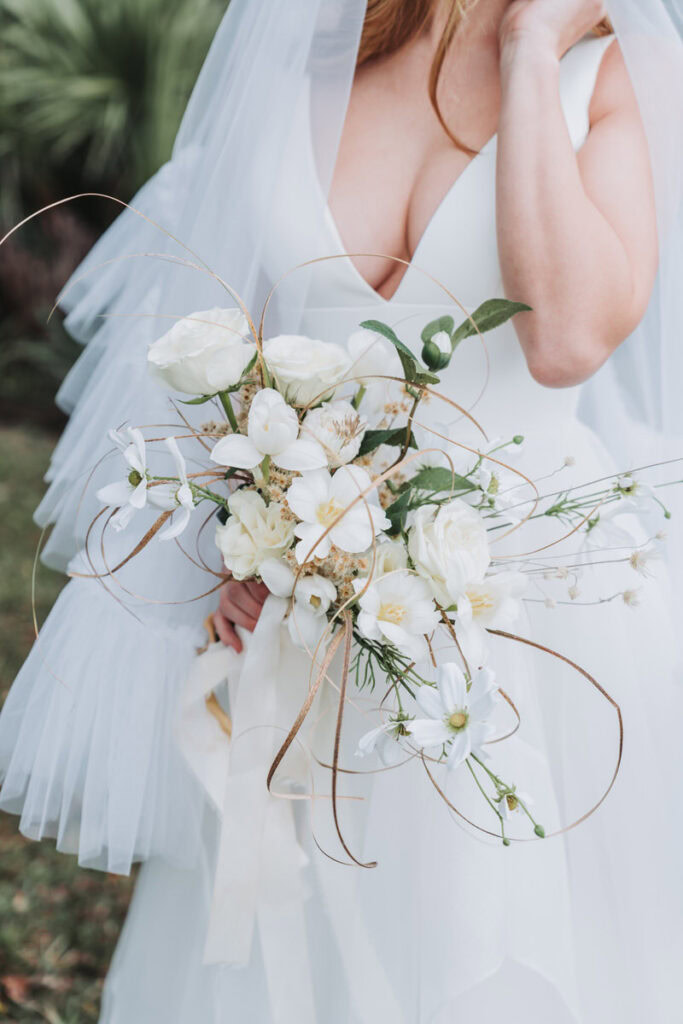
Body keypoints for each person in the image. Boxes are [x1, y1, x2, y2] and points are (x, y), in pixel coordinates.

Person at [2, 2, 682, 1021]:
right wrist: (241, 531)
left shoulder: (613, 69)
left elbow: (568, 340)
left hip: (534, 625)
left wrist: (531, 51)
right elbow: (229, 335)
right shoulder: (310, 49)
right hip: (304, 618)